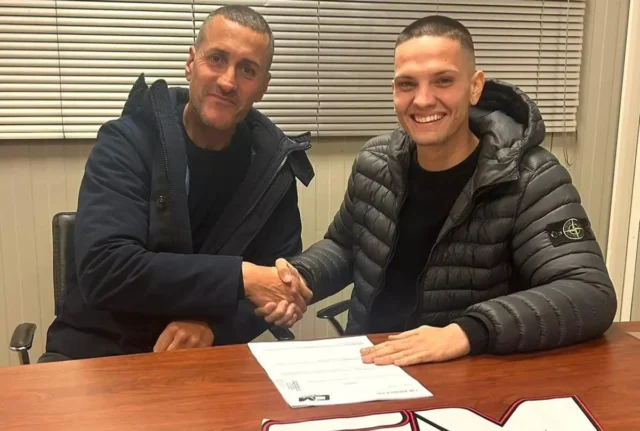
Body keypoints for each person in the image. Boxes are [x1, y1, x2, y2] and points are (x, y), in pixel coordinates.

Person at [272, 15, 617, 366]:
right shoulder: (374, 162)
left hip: (465, 371)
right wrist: (302, 276)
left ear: (475, 87)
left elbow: (589, 292)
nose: (422, 100)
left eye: (443, 81)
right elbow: (346, 245)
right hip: (371, 360)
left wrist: (467, 331)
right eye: (407, 84)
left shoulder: (531, 178)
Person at [41, 5, 313, 362]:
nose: (228, 82)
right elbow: (105, 269)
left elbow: (276, 281)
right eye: (217, 59)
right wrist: (241, 277)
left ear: (263, 86)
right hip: (97, 352)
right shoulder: (127, 142)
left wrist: (214, 327)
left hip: (204, 358)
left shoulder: (272, 166)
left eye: (247, 70)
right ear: (191, 63)